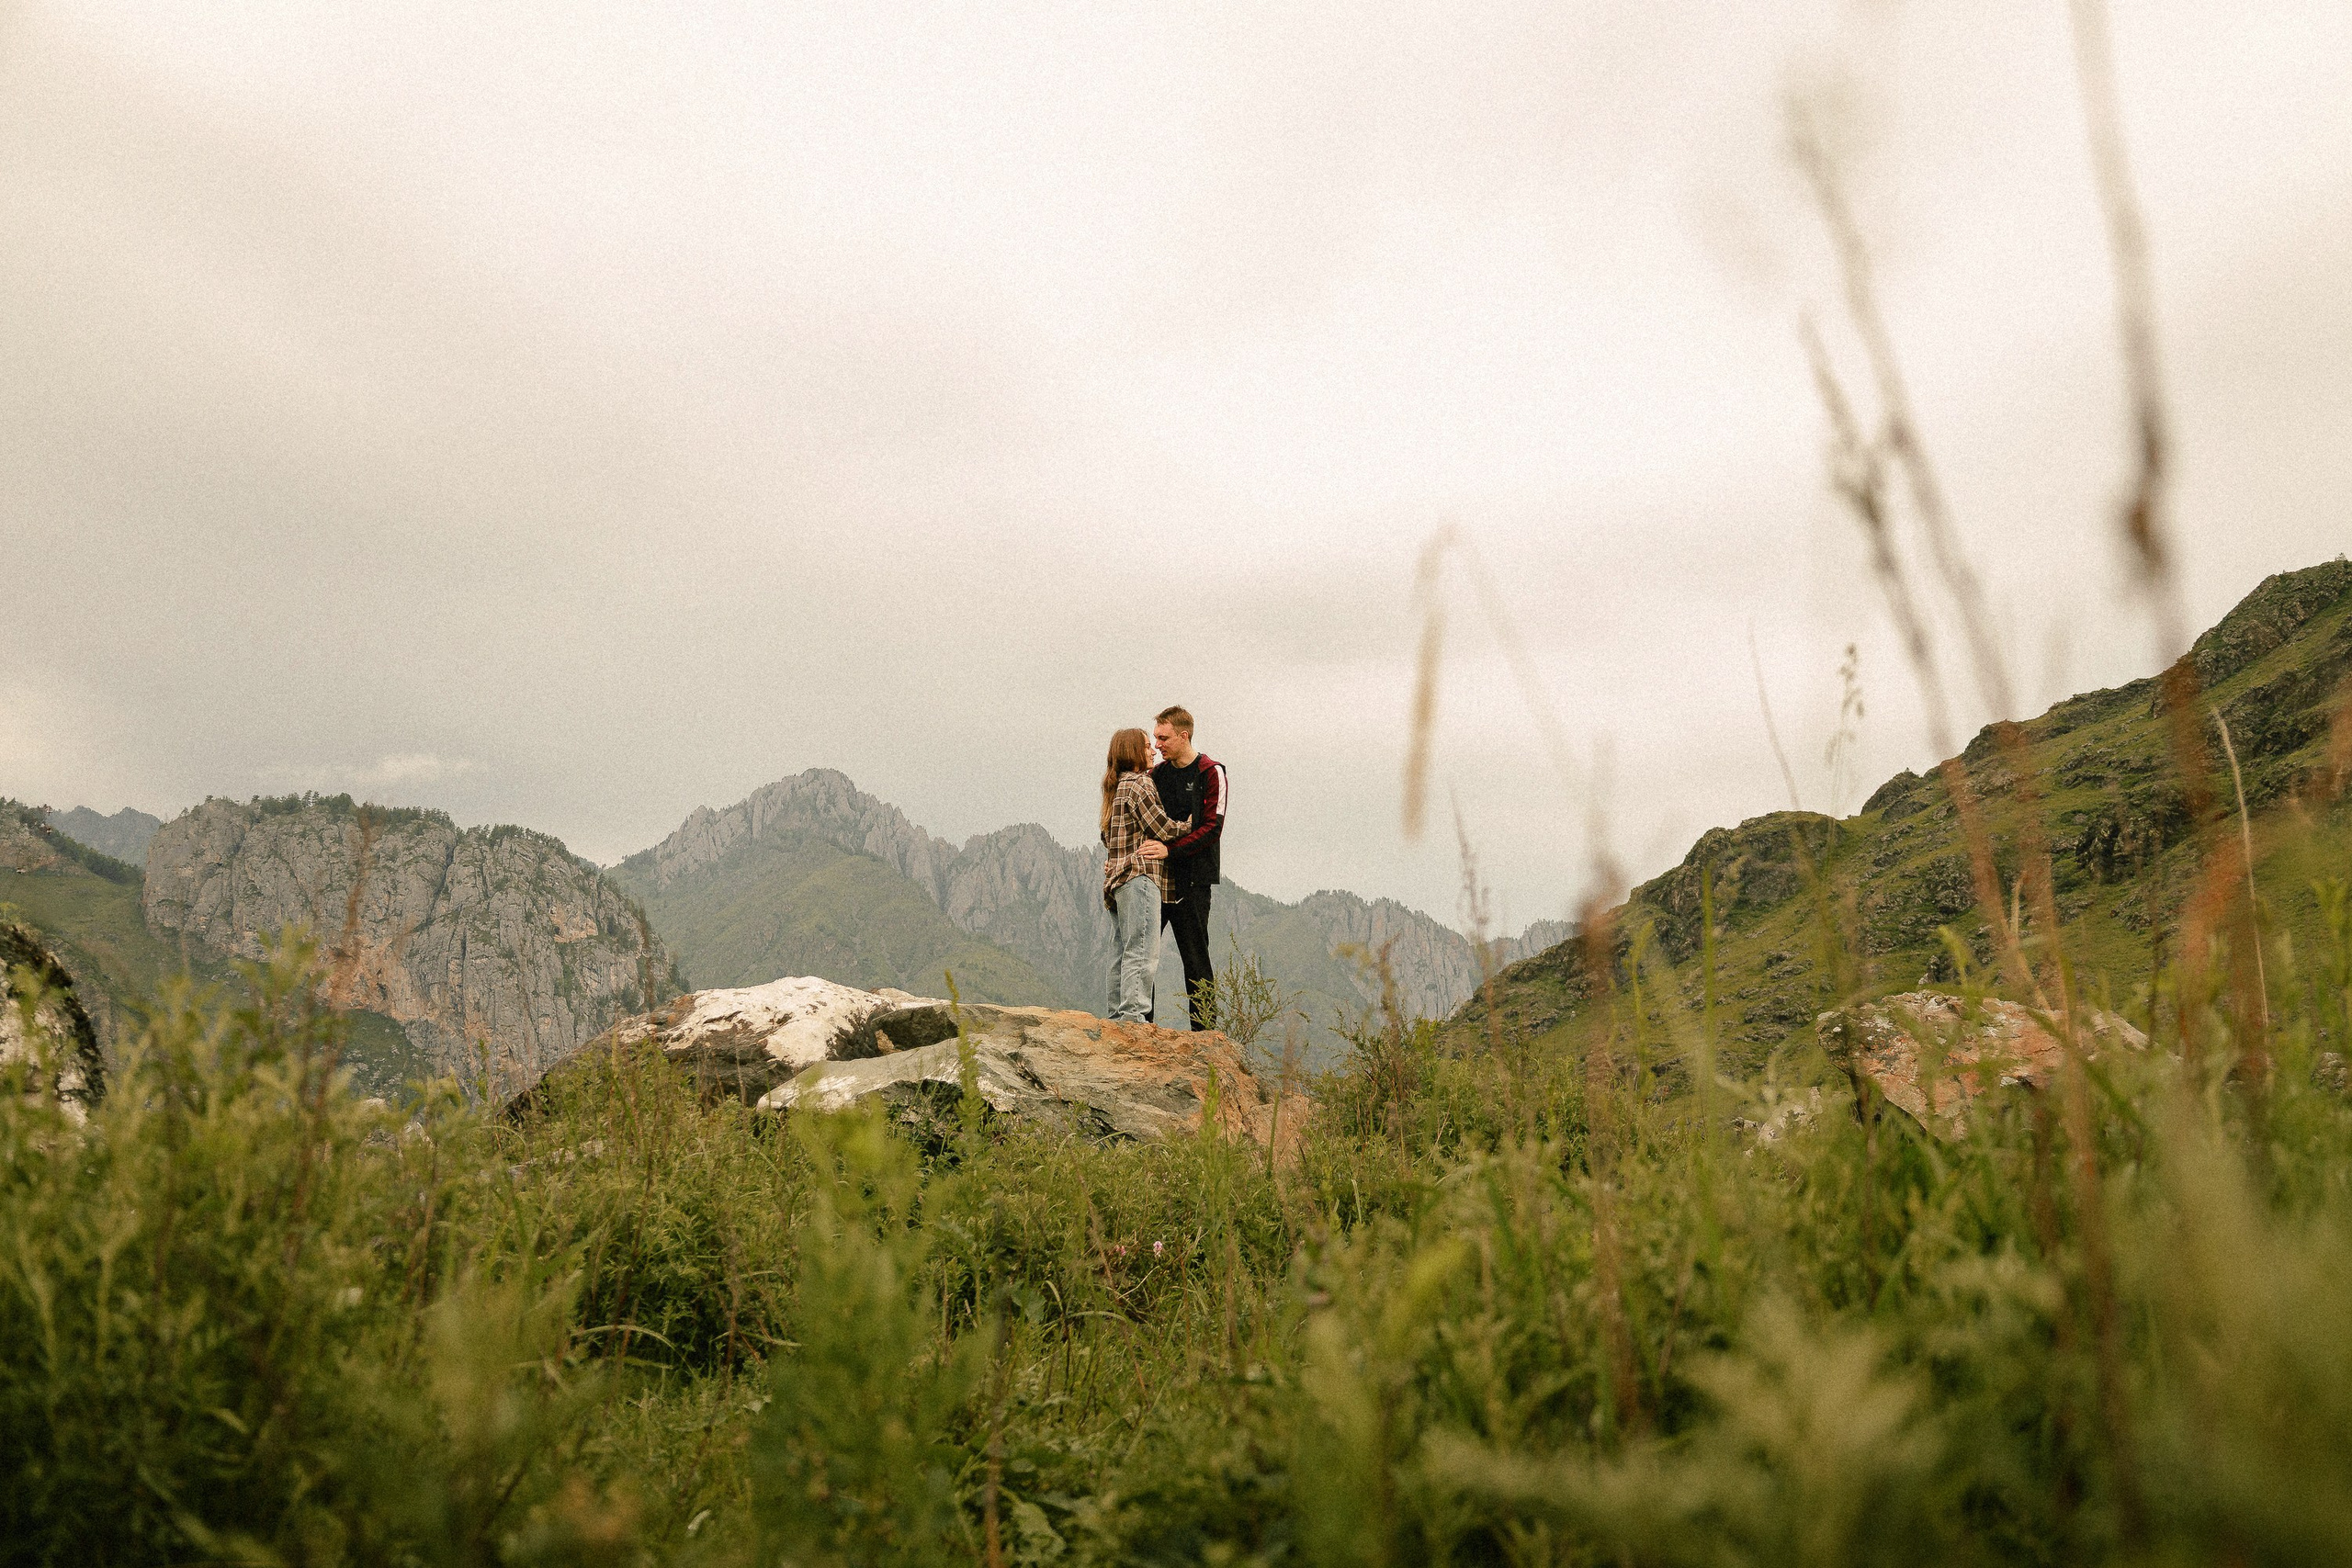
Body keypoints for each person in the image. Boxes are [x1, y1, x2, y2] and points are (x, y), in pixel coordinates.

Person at [1099, 726, 1191, 1023]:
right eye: (1146, 746)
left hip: (1117, 882)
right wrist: (1190, 825)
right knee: (1142, 951)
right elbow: (1162, 827)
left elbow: (1106, 837)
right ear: (1132, 752)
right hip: (1140, 878)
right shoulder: (1140, 783)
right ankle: (1134, 1019)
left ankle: (1116, 1018)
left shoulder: (1115, 788)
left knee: (1121, 952)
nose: (1152, 750)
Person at [1149, 705, 1227, 1031]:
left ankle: (1205, 1036)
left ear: (1184, 736)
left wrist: (1169, 849)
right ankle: (1141, 1026)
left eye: (1163, 738)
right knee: (1144, 957)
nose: (1157, 745)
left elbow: (1211, 829)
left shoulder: (1211, 772)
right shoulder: (1156, 775)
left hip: (1194, 882)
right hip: (1156, 879)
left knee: (1196, 958)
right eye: (1155, 738)